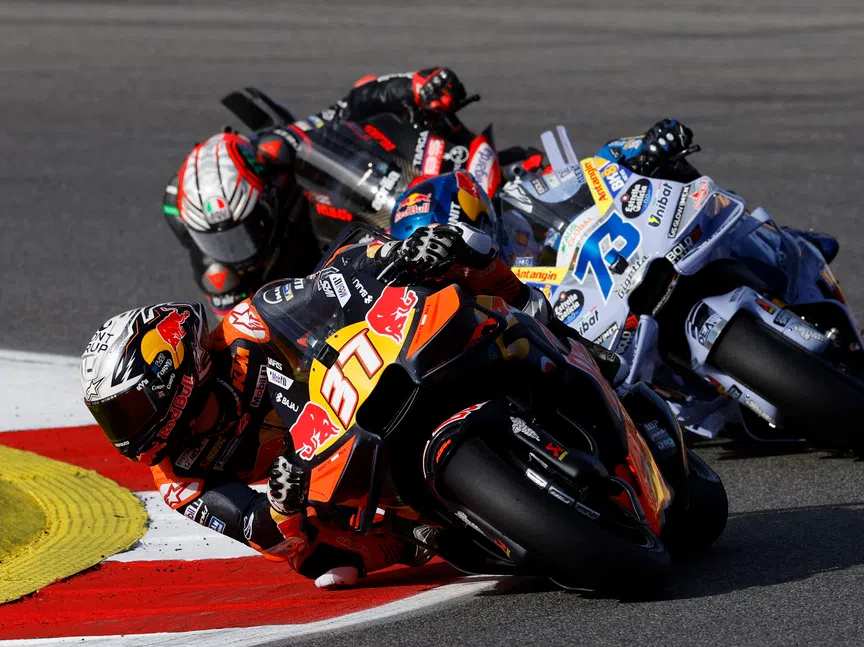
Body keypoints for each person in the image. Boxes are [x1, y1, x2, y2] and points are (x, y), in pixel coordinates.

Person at [81, 221, 547, 589]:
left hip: (365, 378)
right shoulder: (176, 477)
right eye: (112, 417)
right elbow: (256, 529)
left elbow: (333, 282)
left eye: (128, 409)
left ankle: (529, 307)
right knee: (320, 563)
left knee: (457, 243)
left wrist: (395, 255)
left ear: (170, 369)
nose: (124, 431)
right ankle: (418, 535)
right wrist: (282, 502)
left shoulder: (248, 326)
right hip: (325, 464)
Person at [164, 68, 472, 316]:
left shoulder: (276, 150)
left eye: (245, 230)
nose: (237, 252)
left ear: (265, 196)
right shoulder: (219, 275)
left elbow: (348, 107)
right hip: (310, 305)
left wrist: (412, 86)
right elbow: (241, 341)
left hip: (348, 234)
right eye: (219, 242)